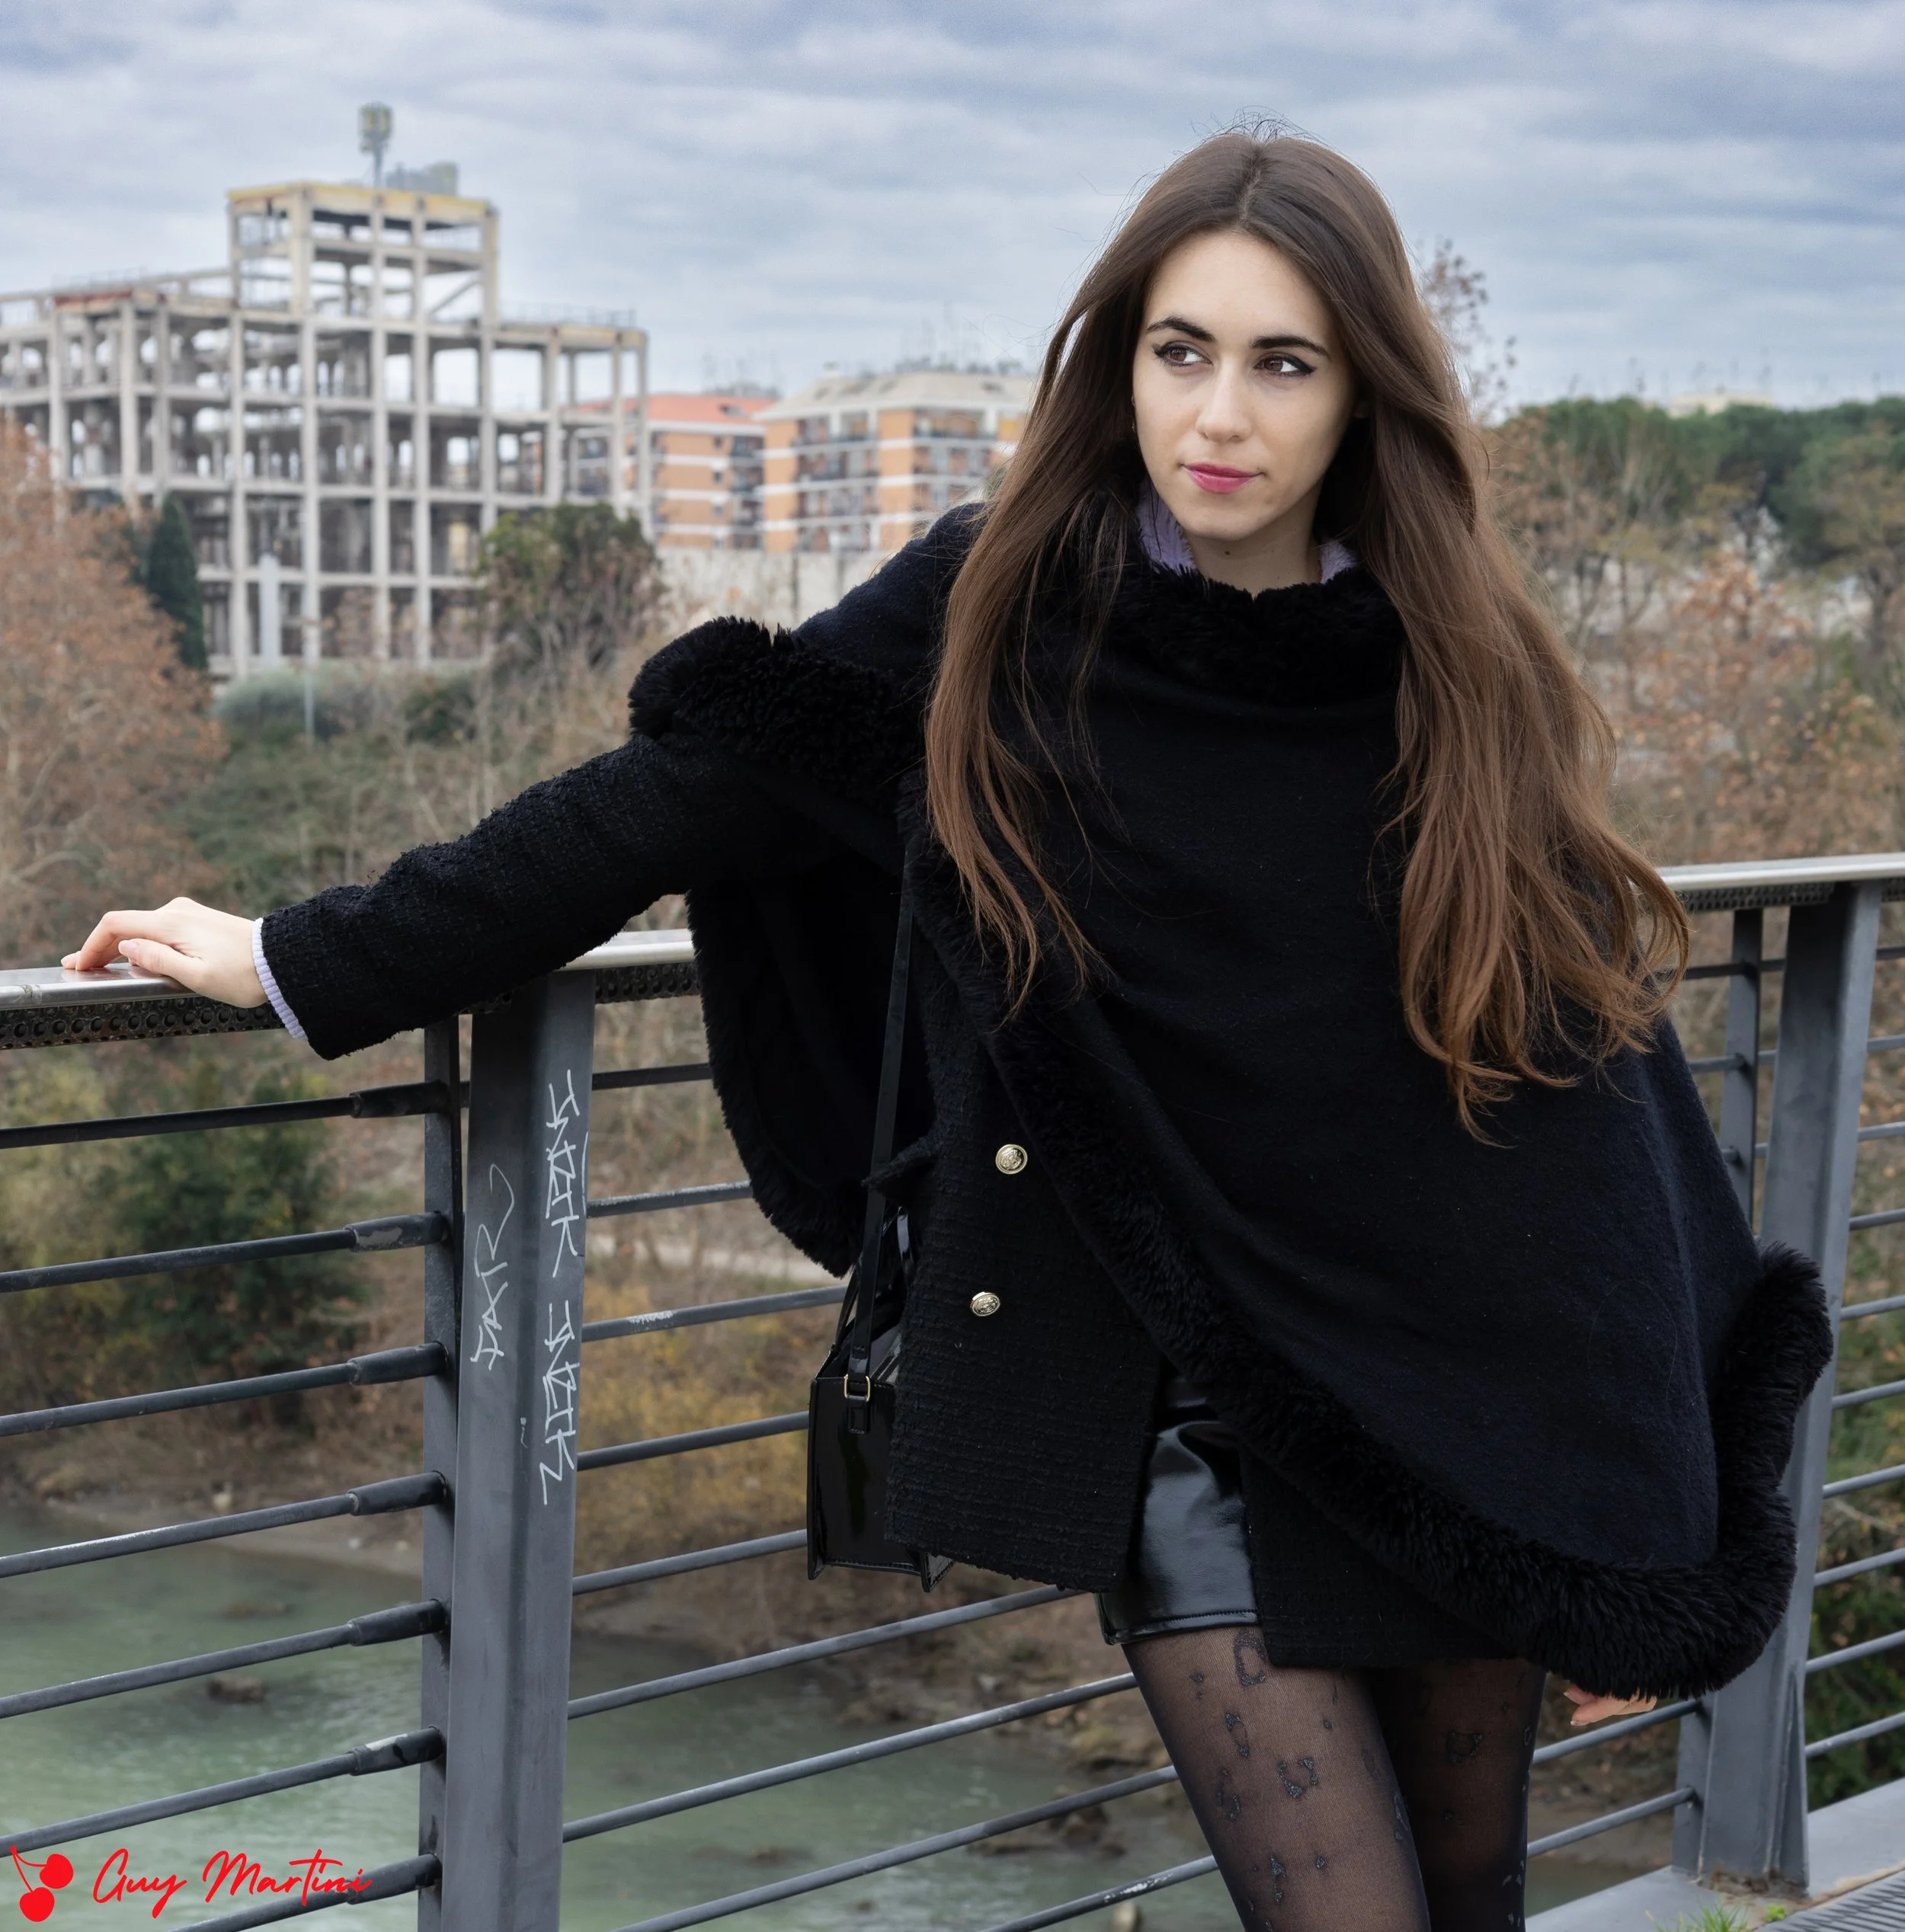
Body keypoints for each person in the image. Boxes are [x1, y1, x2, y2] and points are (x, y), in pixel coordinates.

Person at [69, 132, 1827, 1931]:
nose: (1217, 413)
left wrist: (1640, 1515)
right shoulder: (1000, 603)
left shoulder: (1441, 660)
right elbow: (670, 796)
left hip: (1452, 1419)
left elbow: (1585, 1091)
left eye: (1281, 362)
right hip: (1185, 1417)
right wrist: (302, 956)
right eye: (1178, 350)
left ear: (1359, 392)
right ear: (1119, 360)